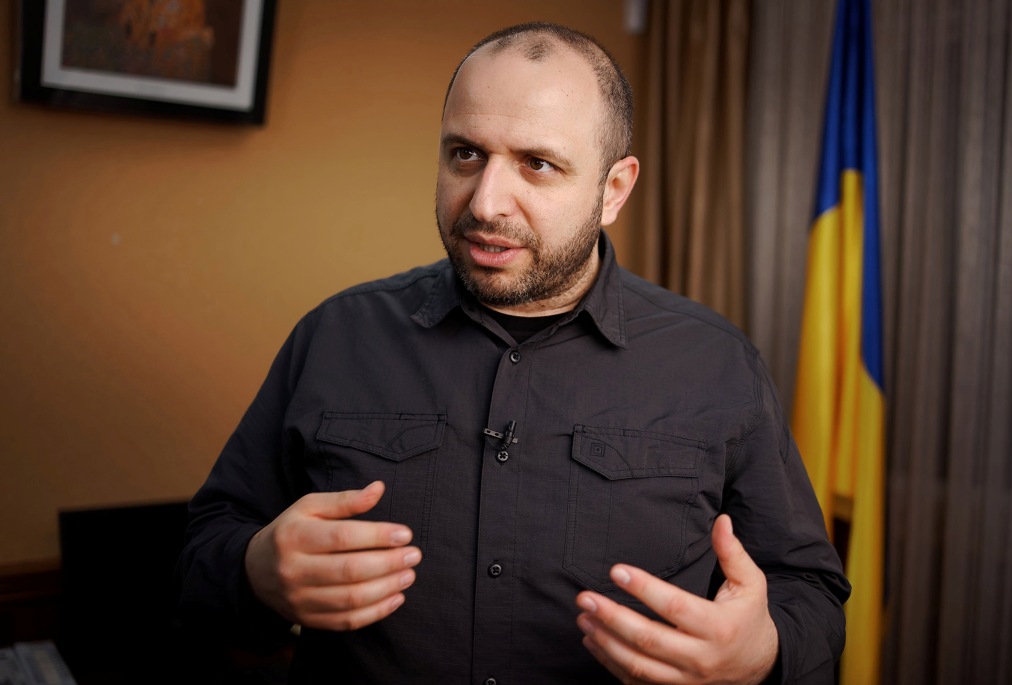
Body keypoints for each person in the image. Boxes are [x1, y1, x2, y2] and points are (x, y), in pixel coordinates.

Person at [178, 21, 850, 685]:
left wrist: (760, 652)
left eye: (538, 163)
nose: (487, 201)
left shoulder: (716, 363)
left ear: (614, 190)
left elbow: (810, 587)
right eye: (465, 154)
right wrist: (254, 572)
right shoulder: (335, 336)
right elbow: (205, 545)